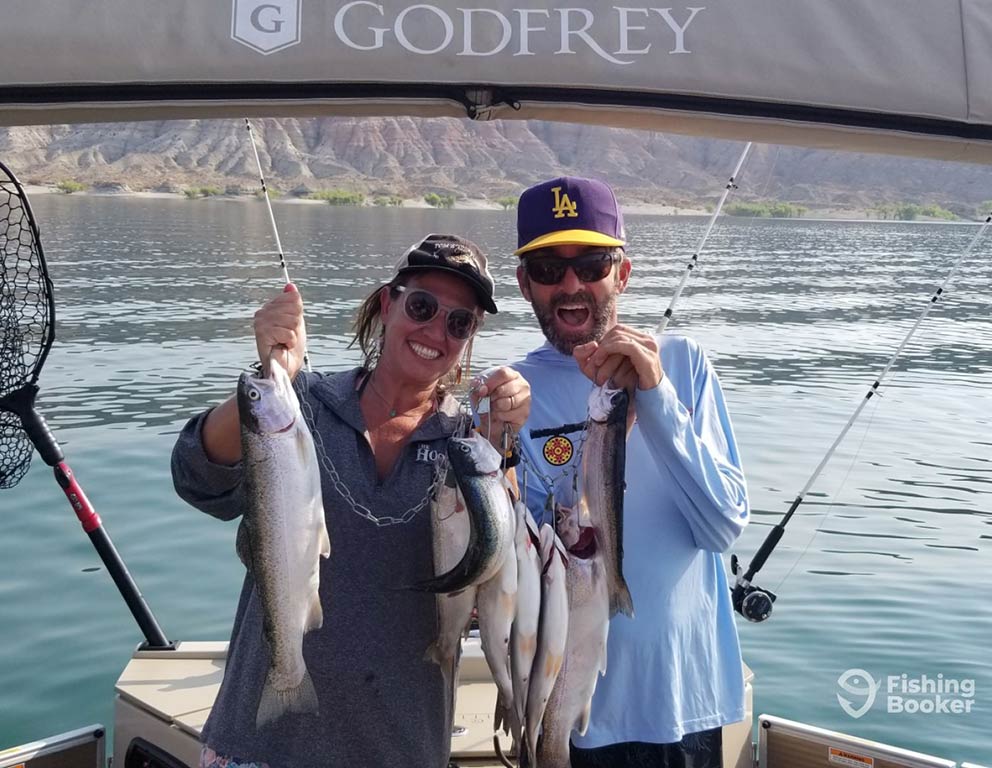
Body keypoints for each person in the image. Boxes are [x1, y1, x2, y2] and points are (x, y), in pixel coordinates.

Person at [170, 233, 531, 768]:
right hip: (258, 746)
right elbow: (197, 479)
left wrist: (504, 446)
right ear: (387, 303)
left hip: (400, 748)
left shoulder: (471, 443)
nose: (437, 330)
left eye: (460, 322)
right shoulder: (301, 405)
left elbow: (497, 565)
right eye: (423, 306)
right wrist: (268, 380)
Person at [510, 177, 749, 768]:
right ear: (524, 285)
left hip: (681, 705)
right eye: (547, 268)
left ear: (623, 273)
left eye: (591, 264)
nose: (571, 285)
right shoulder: (512, 393)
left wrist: (658, 398)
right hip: (567, 706)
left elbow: (722, 529)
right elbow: (516, 558)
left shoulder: (685, 366)